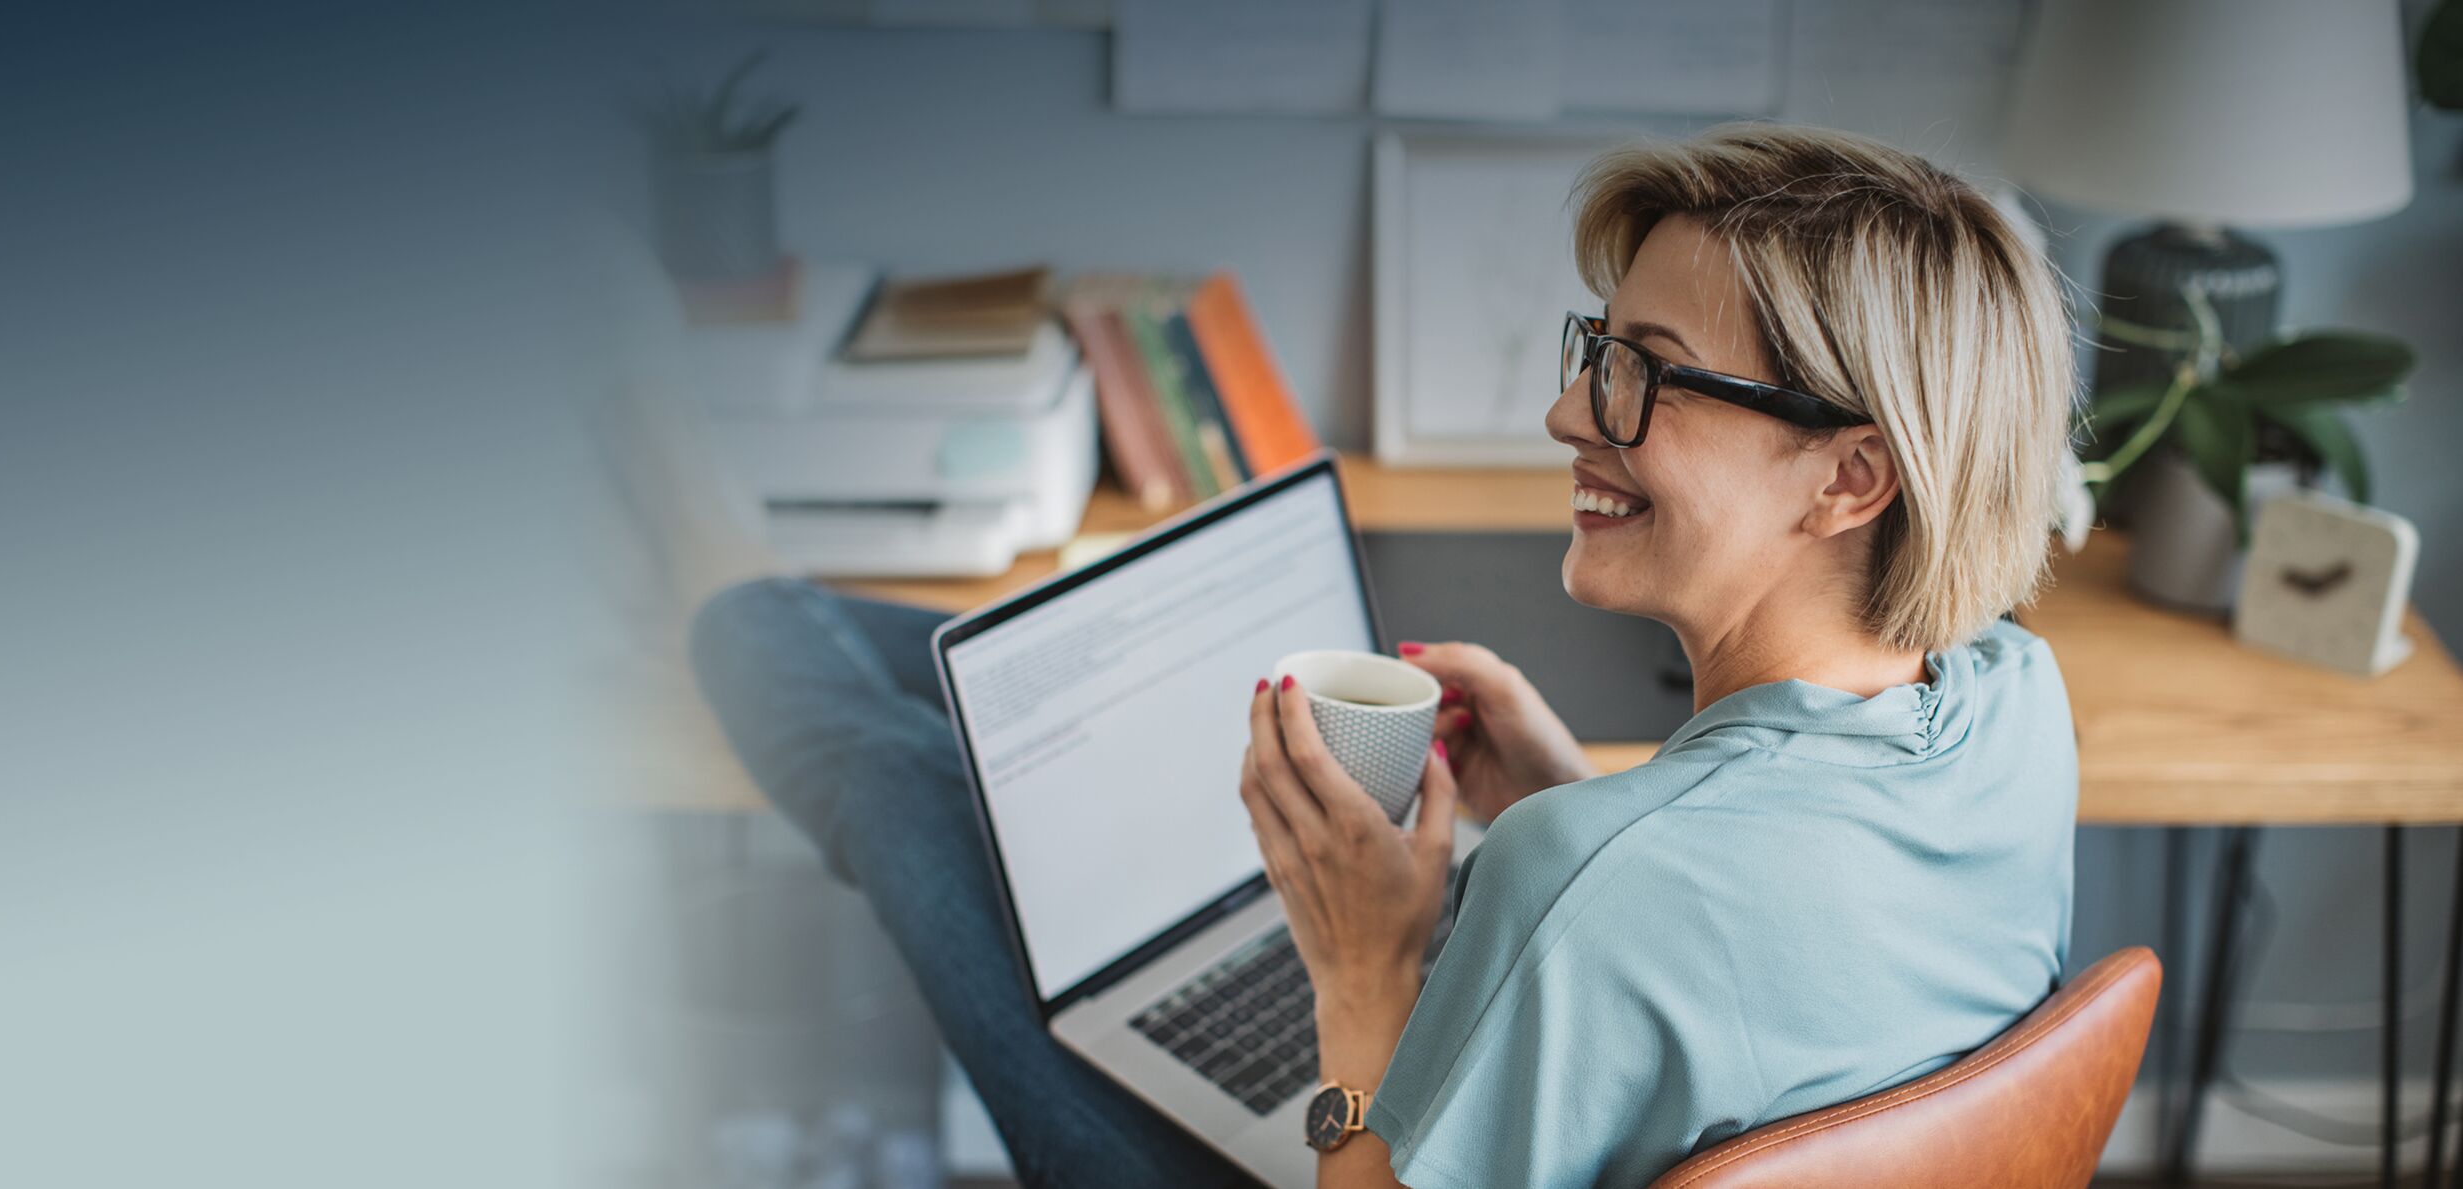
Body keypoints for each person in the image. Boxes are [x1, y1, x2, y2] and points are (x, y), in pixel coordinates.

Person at [689, 123, 2079, 1189]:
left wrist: (1363, 973)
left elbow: (1635, 908)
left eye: (1641, 372)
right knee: (957, 687)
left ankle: (717, 589)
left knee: (899, 773)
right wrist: (1556, 797)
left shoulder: (1583, 888)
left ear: (1850, 479)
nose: (1562, 411)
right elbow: (1749, 949)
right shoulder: (2017, 699)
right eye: (1596, 347)